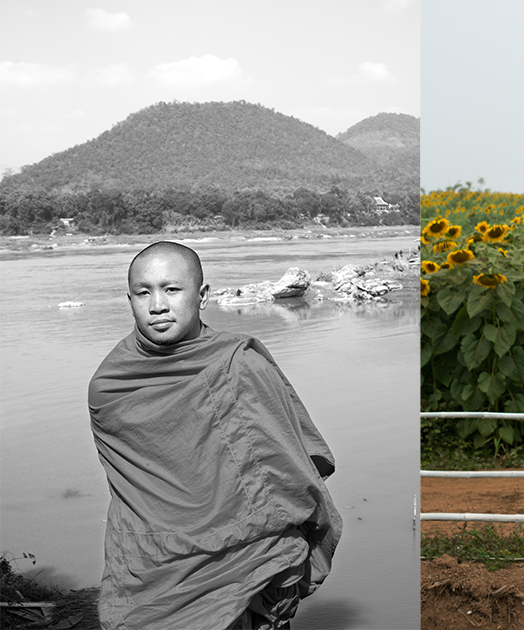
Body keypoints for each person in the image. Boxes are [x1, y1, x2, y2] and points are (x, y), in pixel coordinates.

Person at [88, 241, 342, 630]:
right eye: (144, 292)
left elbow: (289, 476)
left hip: (244, 571)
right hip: (150, 574)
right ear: (130, 300)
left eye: (172, 289)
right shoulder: (111, 387)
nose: (157, 305)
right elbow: (136, 492)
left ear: (202, 295)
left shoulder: (240, 368)